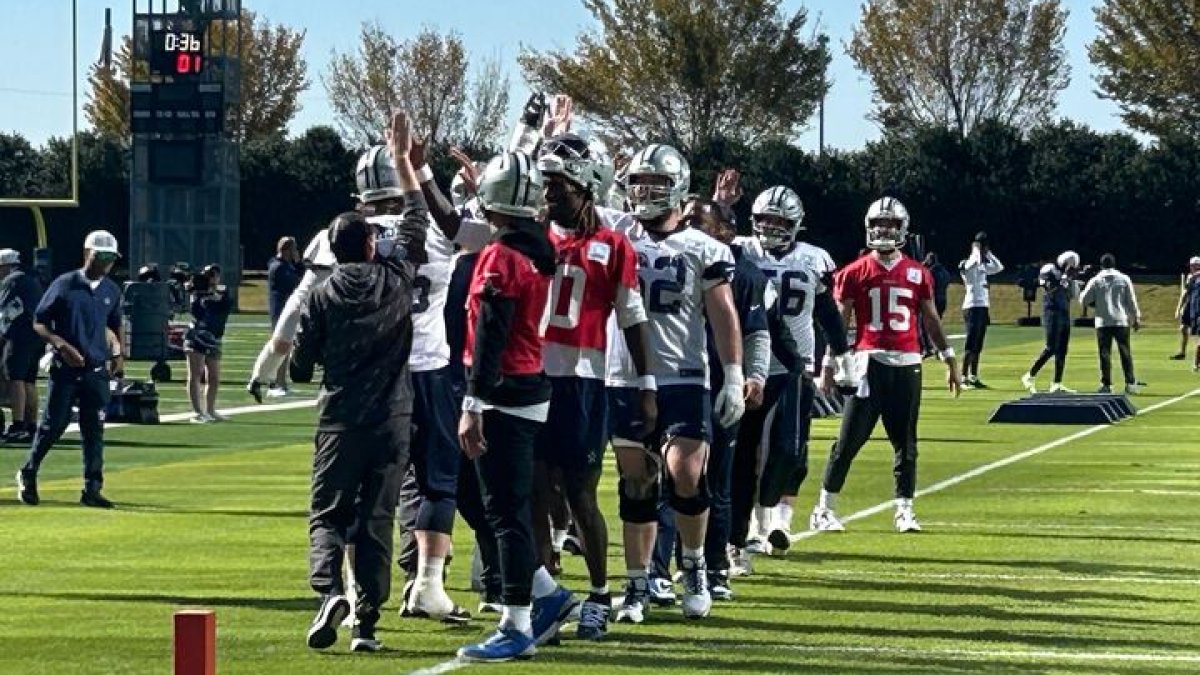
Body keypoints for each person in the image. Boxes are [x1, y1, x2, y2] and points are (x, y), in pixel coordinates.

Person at [290, 112, 429, 654]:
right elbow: (416, 218)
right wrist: (405, 164)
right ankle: (367, 625)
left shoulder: (322, 295)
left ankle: (328, 590)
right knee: (377, 520)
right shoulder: (396, 279)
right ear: (371, 245)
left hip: (340, 418)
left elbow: (301, 367)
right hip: (393, 417)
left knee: (328, 514)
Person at [608, 143, 745, 624]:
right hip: (624, 374)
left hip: (683, 375)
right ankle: (638, 584)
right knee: (637, 482)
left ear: (678, 189)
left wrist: (732, 374)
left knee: (686, 475)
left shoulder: (704, 247)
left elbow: (723, 313)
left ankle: (694, 568)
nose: (645, 191)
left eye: (657, 184)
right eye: (639, 182)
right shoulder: (616, 231)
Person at [533, 130, 654, 640]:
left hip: (584, 379)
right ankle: (543, 597)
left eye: (557, 187)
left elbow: (632, 317)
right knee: (537, 492)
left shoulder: (612, 244)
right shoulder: (533, 236)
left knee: (581, 493)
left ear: (584, 187)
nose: (547, 196)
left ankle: (601, 593)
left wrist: (647, 384)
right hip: (533, 376)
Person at [454, 151, 573, 662]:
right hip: (523, 384)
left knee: (505, 512)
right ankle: (546, 591)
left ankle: (517, 621)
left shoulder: (503, 256)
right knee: (471, 494)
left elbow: (491, 335)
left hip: (504, 391)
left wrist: (474, 401)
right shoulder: (534, 244)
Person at [809, 197, 961, 534]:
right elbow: (838, 323)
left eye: (891, 224)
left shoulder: (918, 273)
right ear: (868, 227)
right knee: (849, 440)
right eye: (879, 223)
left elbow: (931, 319)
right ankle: (823, 508)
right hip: (868, 362)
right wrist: (829, 366)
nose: (884, 229)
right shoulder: (852, 272)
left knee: (906, 444)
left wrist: (949, 358)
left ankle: (904, 510)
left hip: (907, 362)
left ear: (903, 229)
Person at [730, 184, 850, 563]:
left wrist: (841, 356)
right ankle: (748, 528)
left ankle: (767, 520)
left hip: (794, 367)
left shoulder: (815, 259)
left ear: (796, 223)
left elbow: (829, 313)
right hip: (751, 365)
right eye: (764, 218)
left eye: (779, 220)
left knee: (786, 450)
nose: (770, 226)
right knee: (745, 452)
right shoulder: (741, 249)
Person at [16, 230, 125, 509]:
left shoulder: (111, 289)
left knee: (94, 429)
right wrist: (60, 345)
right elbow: (40, 321)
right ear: (88, 253)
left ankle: (93, 487)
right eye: (102, 256)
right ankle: (29, 471)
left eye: (112, 258)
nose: (107, 263)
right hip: (66, 367)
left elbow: (115, 323)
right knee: (54, 424)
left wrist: (118, 354)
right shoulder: (65, 284)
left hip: (96, 367)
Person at [0, 248, 45, 443]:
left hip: (19, 335)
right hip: (36, 335)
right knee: (29, 381)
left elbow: (4, 311)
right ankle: (31, 425)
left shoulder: (13, 281)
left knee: (15, 378)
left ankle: (18, 425)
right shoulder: (32, 279)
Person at [1080, 254, 1143, 393]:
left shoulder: (1096, 280)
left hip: (1103, 321)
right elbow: (1131, 300)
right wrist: (1136, 318)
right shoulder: (1124, 278)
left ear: (1101, 265)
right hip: (1121, 320)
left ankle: (1107, 384)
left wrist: (1095, 303)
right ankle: (1130, 383)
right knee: (1125, 352)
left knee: (1104, 353)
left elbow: (1083, 300)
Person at [1021, 251, 1081, 394]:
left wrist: (1072, 280)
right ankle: (1029, 376)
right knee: (1051, 347)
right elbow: (1050, 289)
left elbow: (1075, 295)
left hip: (1064, 312)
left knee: (1062, 350)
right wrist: (1065, 278)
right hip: (1052, 311)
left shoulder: (1068, 276)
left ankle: (1056, 383)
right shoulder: (1048, 269)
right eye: (1070, 265)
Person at [184, 265, 233, 423]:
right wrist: (195, 292)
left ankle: (211, 410)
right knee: (196, 374)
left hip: (215, 338)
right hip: (197, 335)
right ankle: (198, 412)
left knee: (214, 376)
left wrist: (214, 293)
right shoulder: (198, 293)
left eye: (215, 275)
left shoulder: (222, 292)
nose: (212, 278)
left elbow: (225, 305)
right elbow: (196, 312)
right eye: (209, 275)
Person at [958, 232, 1004, 389]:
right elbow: (974, 261)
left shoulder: (982, 268)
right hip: (971, 307)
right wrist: (976, 248)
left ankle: (973, 376)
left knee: (978, 345)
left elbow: (999, 267)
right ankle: (963, 377)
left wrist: (988, 252)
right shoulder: (967, 267)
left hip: (982, 307)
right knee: (970, 345)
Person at [266, 236, 302, 396]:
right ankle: (275, 384)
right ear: (287, 250)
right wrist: (299, 264)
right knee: (280, 347)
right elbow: (298, 282)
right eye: (294, 249)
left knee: (285, 348)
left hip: (287, 310)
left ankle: (281, 382)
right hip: (280, 310)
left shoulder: (285, 265)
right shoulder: (278, 267)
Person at [1172, 256, 1200, 361]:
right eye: (1191, 266)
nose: (1191, 268)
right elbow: (1185, 293)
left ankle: (1197, 358)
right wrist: (1179, 308)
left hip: (1198, 305)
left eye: (1194, 266)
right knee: (1183, 328)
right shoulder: (1190, 277)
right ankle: (1182, 352)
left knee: (1197, 333)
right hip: (1191, 303)